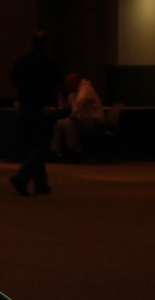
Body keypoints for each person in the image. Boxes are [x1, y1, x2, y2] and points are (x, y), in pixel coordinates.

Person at [8, 32, 65, 195]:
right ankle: (22, 176)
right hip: (43, 109)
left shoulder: (22, 61)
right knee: (42, 146)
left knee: (33, 145)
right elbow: (59, 83)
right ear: (47, 45)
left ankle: (41, 183)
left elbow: (13, 81)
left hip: (25, 108)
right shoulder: (50, 62)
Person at [51, 72, 114, 163]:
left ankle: (76, 150)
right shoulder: (74, 93)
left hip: (95, 122)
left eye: (69, 81)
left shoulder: (86, 89)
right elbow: (65, 107)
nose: (67, 84)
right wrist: (61, 96)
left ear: (76, 81)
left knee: (68, 123)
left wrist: (72, 116)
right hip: (83, 121)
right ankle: (56, 152)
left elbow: (80, 103)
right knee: (58, 123)